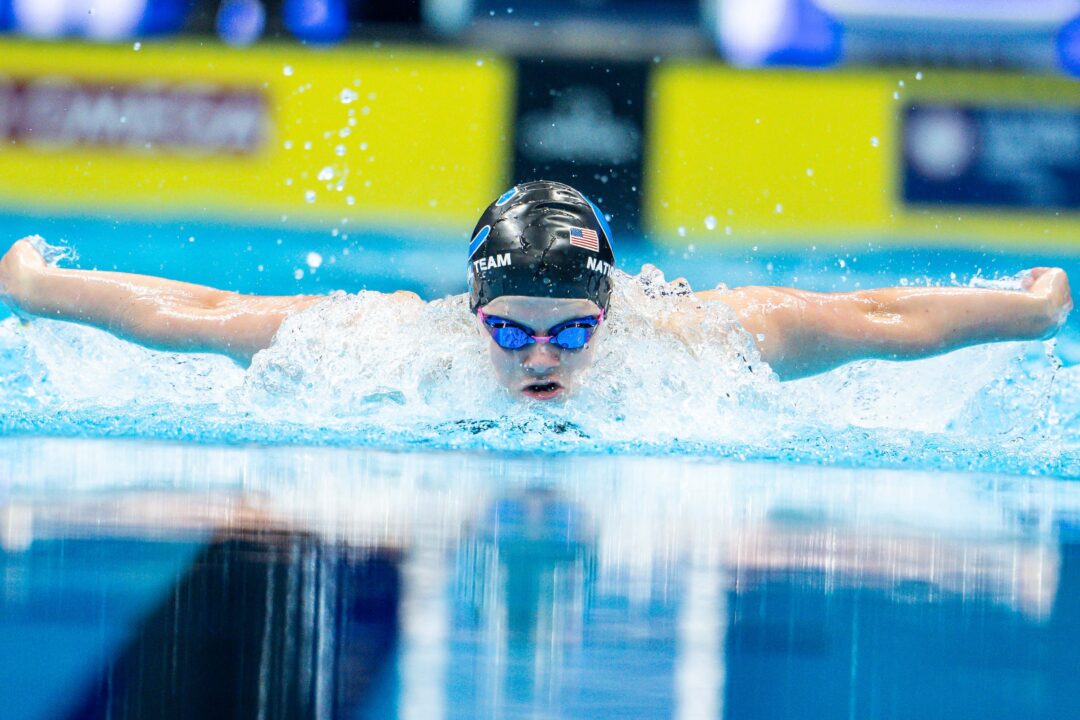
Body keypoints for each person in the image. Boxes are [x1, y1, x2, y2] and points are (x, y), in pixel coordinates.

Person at [0, 181, 1072, 401]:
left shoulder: (698, 342)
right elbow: (202, 317)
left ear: (616, 312)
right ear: (473, 312)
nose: (542, 358)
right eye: (509, 331)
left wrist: (1022, 311)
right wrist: (46, 291)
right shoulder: (388, 346)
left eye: (572, 332)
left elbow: (879, 323)